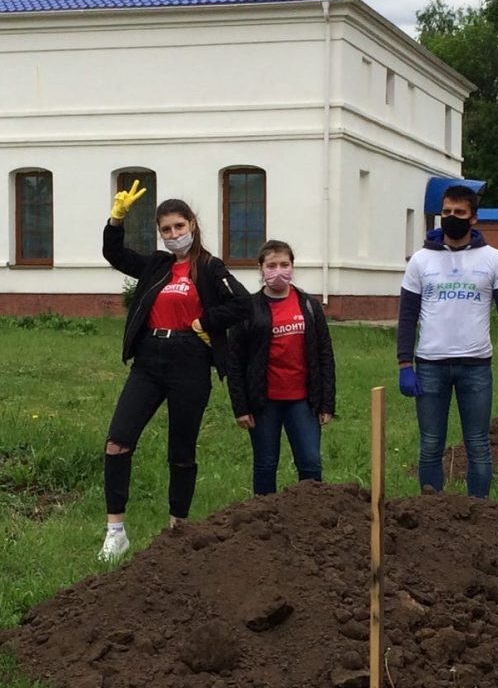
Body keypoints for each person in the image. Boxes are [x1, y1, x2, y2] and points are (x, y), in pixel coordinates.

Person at [99, 181, 250, 560]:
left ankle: (177, 528)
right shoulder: (157, 264)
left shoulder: (210, 268)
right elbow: (114, 254)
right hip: (149, 358)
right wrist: (116, 220)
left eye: (178, 227)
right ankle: (115, 531)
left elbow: (245, 304)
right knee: (117, 441)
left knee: (181, 450)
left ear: (192, 225)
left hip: (189, 360)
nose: (173, 235)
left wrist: (205, 322)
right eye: (165, 229)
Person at [396, 184, 498, 497]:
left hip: (475, 366)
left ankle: (480, 513)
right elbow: (407, 316)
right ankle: (431, 511)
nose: (451, 218)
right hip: (430, 366)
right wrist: (404, 364)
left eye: (459, 213)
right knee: (431, 443)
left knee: (477, 444)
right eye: (447, 212)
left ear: (473, 218)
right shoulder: (421, 261)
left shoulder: (492, 259)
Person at [226, 239, 336, 494]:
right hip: (264, 402)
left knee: (310, 463)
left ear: (292, 267)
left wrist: (327, 403)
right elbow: (235, 361)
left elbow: (324, 354)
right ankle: (264, 523)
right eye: (272, 265)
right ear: (261, 269)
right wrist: (241, 407)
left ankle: (311, 516)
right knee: (265, 465)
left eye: (284, 264)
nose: (279, 271)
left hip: (303, 401)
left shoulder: (309, 306)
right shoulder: (248, 310)